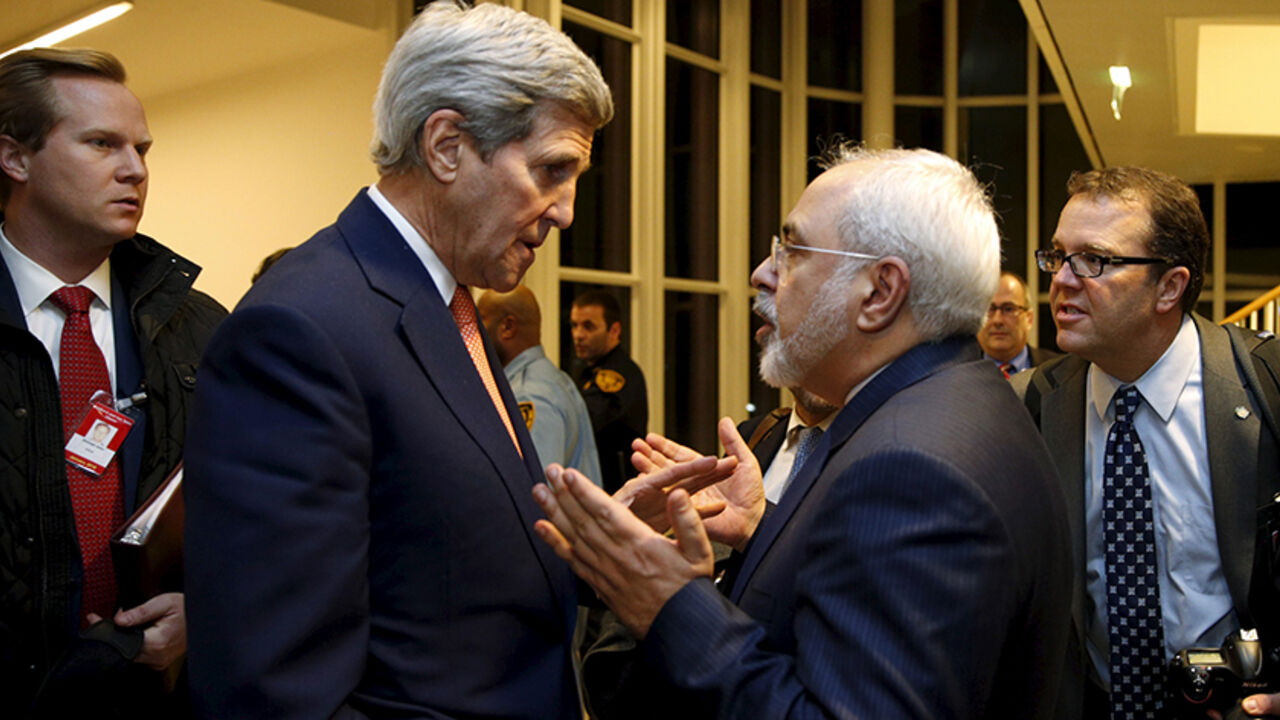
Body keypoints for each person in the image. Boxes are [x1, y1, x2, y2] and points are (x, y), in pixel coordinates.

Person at [534, 145, 1073, 719]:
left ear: (880, 292)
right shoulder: (951, 401)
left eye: (791, 250)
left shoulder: (910, 468)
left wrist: (671, 606)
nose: (762, 274)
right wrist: (765, 533)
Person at [182, 3, 613, 719]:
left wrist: (596, 538)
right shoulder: (301, 331)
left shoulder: (446, 304)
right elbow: (276, 690)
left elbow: (434, 546)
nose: (566, 210)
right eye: (550, 169)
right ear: (446, 145)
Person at [0, 48, 226, 716]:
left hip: (156, 695)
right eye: (102, 143)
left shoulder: (200, 327)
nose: (135, 169)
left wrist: (206, 606)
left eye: (141, 148)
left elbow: (259, 504)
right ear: (15, 158)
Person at [1011, 167, 1280, 720]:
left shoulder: (1266, 383)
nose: (1062, 279)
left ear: (1170, 286)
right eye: (1058, 256)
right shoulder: (1030, 405)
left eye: (1096, 260)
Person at [477, 284, 602, 486]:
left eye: (480, 320)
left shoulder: (531, 395)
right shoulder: (550, 380)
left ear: (507, 328)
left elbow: (536, 493)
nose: (471, 332)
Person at [571, 289, 648, 493]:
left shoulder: (620, 374)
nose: (578, 335)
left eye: (588, 326)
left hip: (616, 489)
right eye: (574, 325)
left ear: (614, 330)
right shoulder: (585, 372)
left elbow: (586, 421)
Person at [977, 270, 1059, 376]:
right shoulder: (955, 373)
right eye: (989, 309)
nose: (998, 320)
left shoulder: (1059, 370)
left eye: (1009, 309)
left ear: (1029, 319)